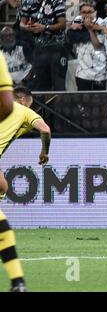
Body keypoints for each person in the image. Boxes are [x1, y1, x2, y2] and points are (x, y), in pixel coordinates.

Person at [0, 85, 51, 292]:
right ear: (23, 100)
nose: (31, 107)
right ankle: (18, 283)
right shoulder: (22, 110)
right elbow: (45, 129)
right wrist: (44, 151)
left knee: (3, 185)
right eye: (31, 103)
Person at [19, 0, 68, 91]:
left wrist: (44, 28)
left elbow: (63, 24)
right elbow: (21, 24)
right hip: (39, 48)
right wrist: (28, 28)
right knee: (41, 84)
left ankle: (58, 106)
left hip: (57, 47)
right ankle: (44, 107)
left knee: (58, 83)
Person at [66, 0, 107, 90]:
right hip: (82, 73)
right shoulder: (77, 23)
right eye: (84, 12)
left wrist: (89, 29)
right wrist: (91, 32)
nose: (87, 15)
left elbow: (97, 45)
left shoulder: (103, 23)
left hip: (100, 72)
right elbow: (71, 37)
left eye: (90, 12)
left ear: (95, 12)